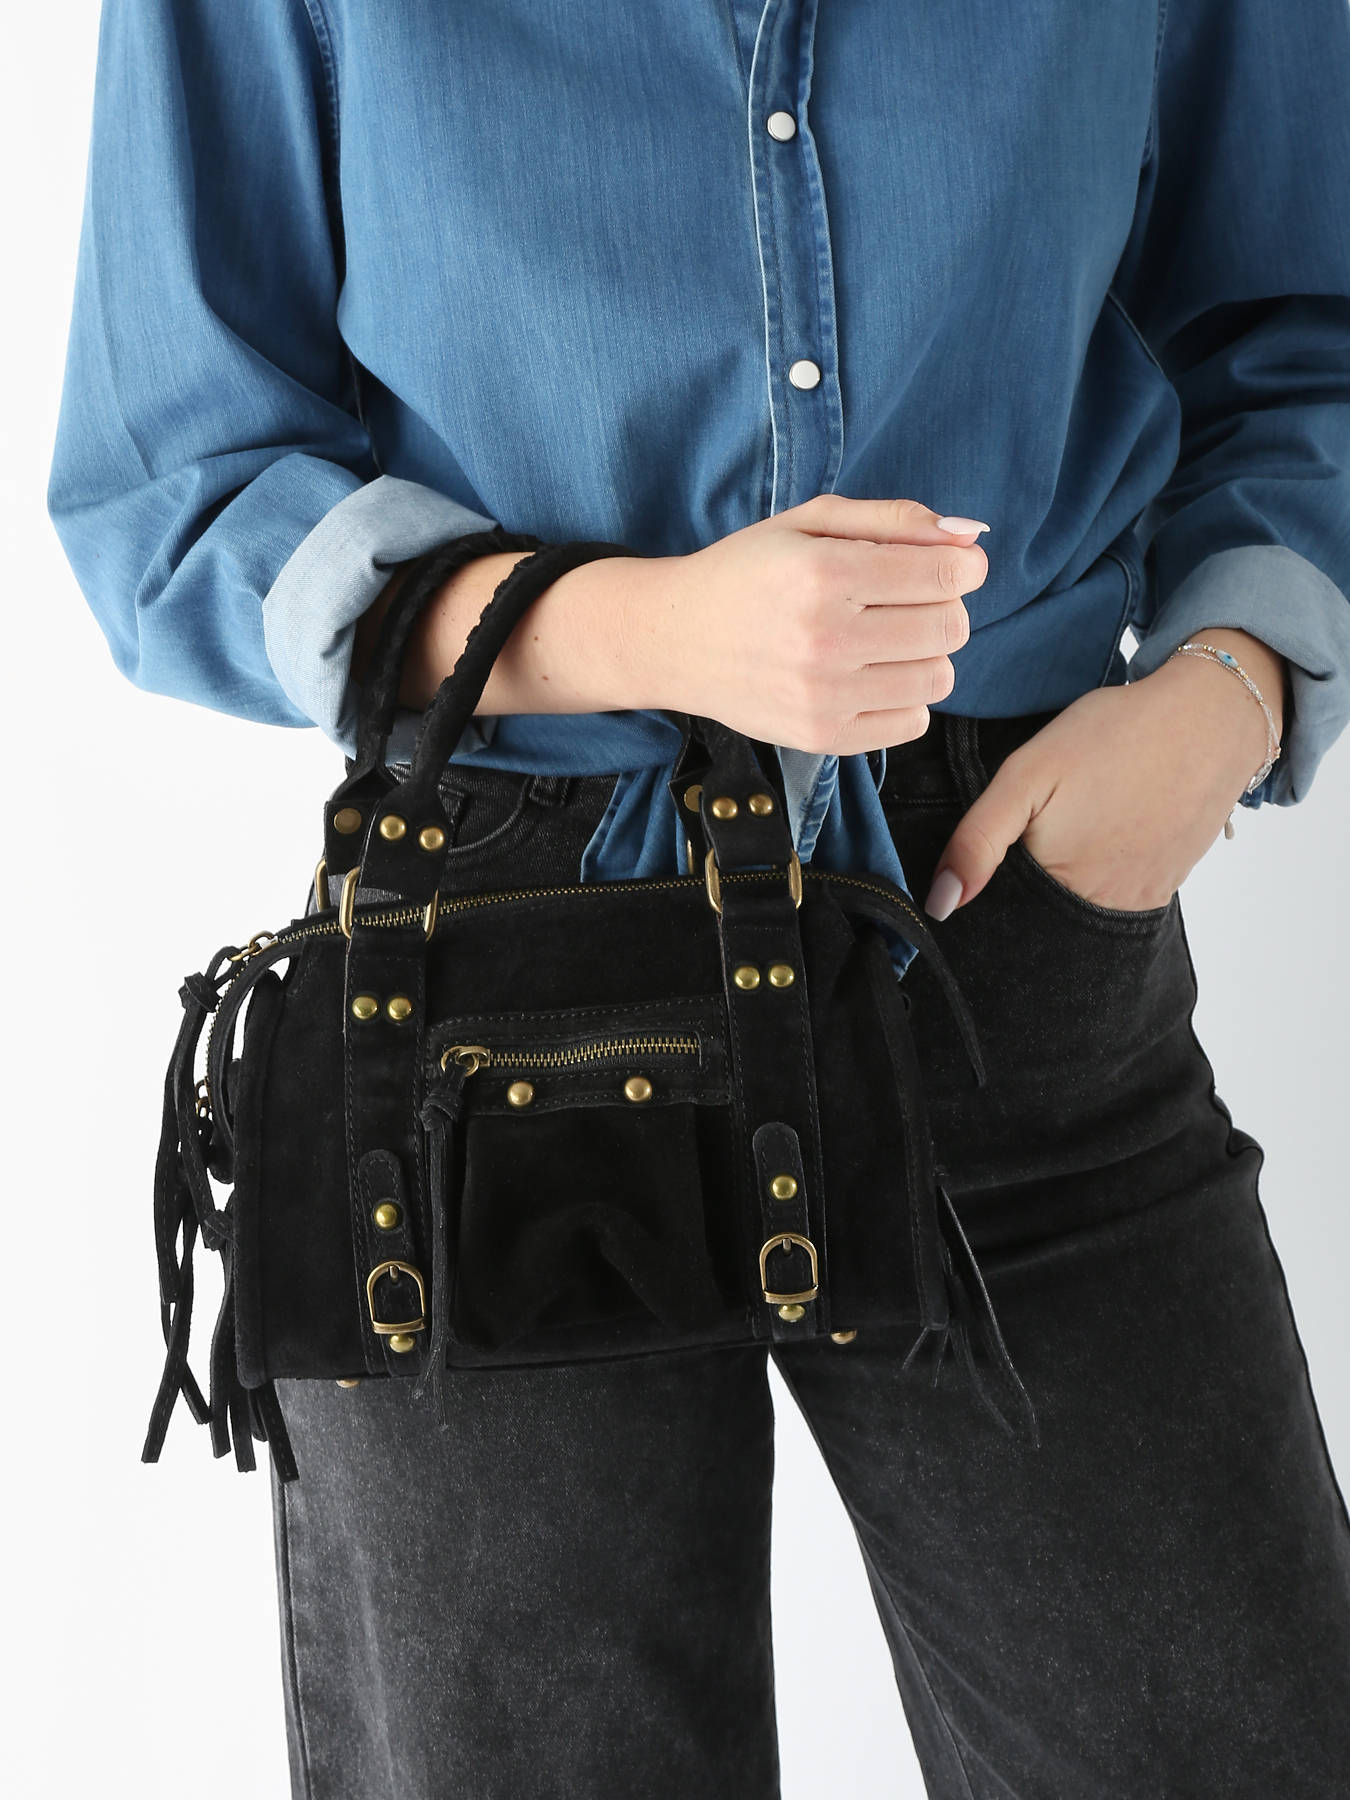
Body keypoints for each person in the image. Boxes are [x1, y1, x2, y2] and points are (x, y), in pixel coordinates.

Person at [48, 2, 1350, 1795]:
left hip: (1005, 903)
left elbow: (1300, 321)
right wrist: (636, 629)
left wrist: (1226, 693)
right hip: (489, 954)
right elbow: (172, 475)